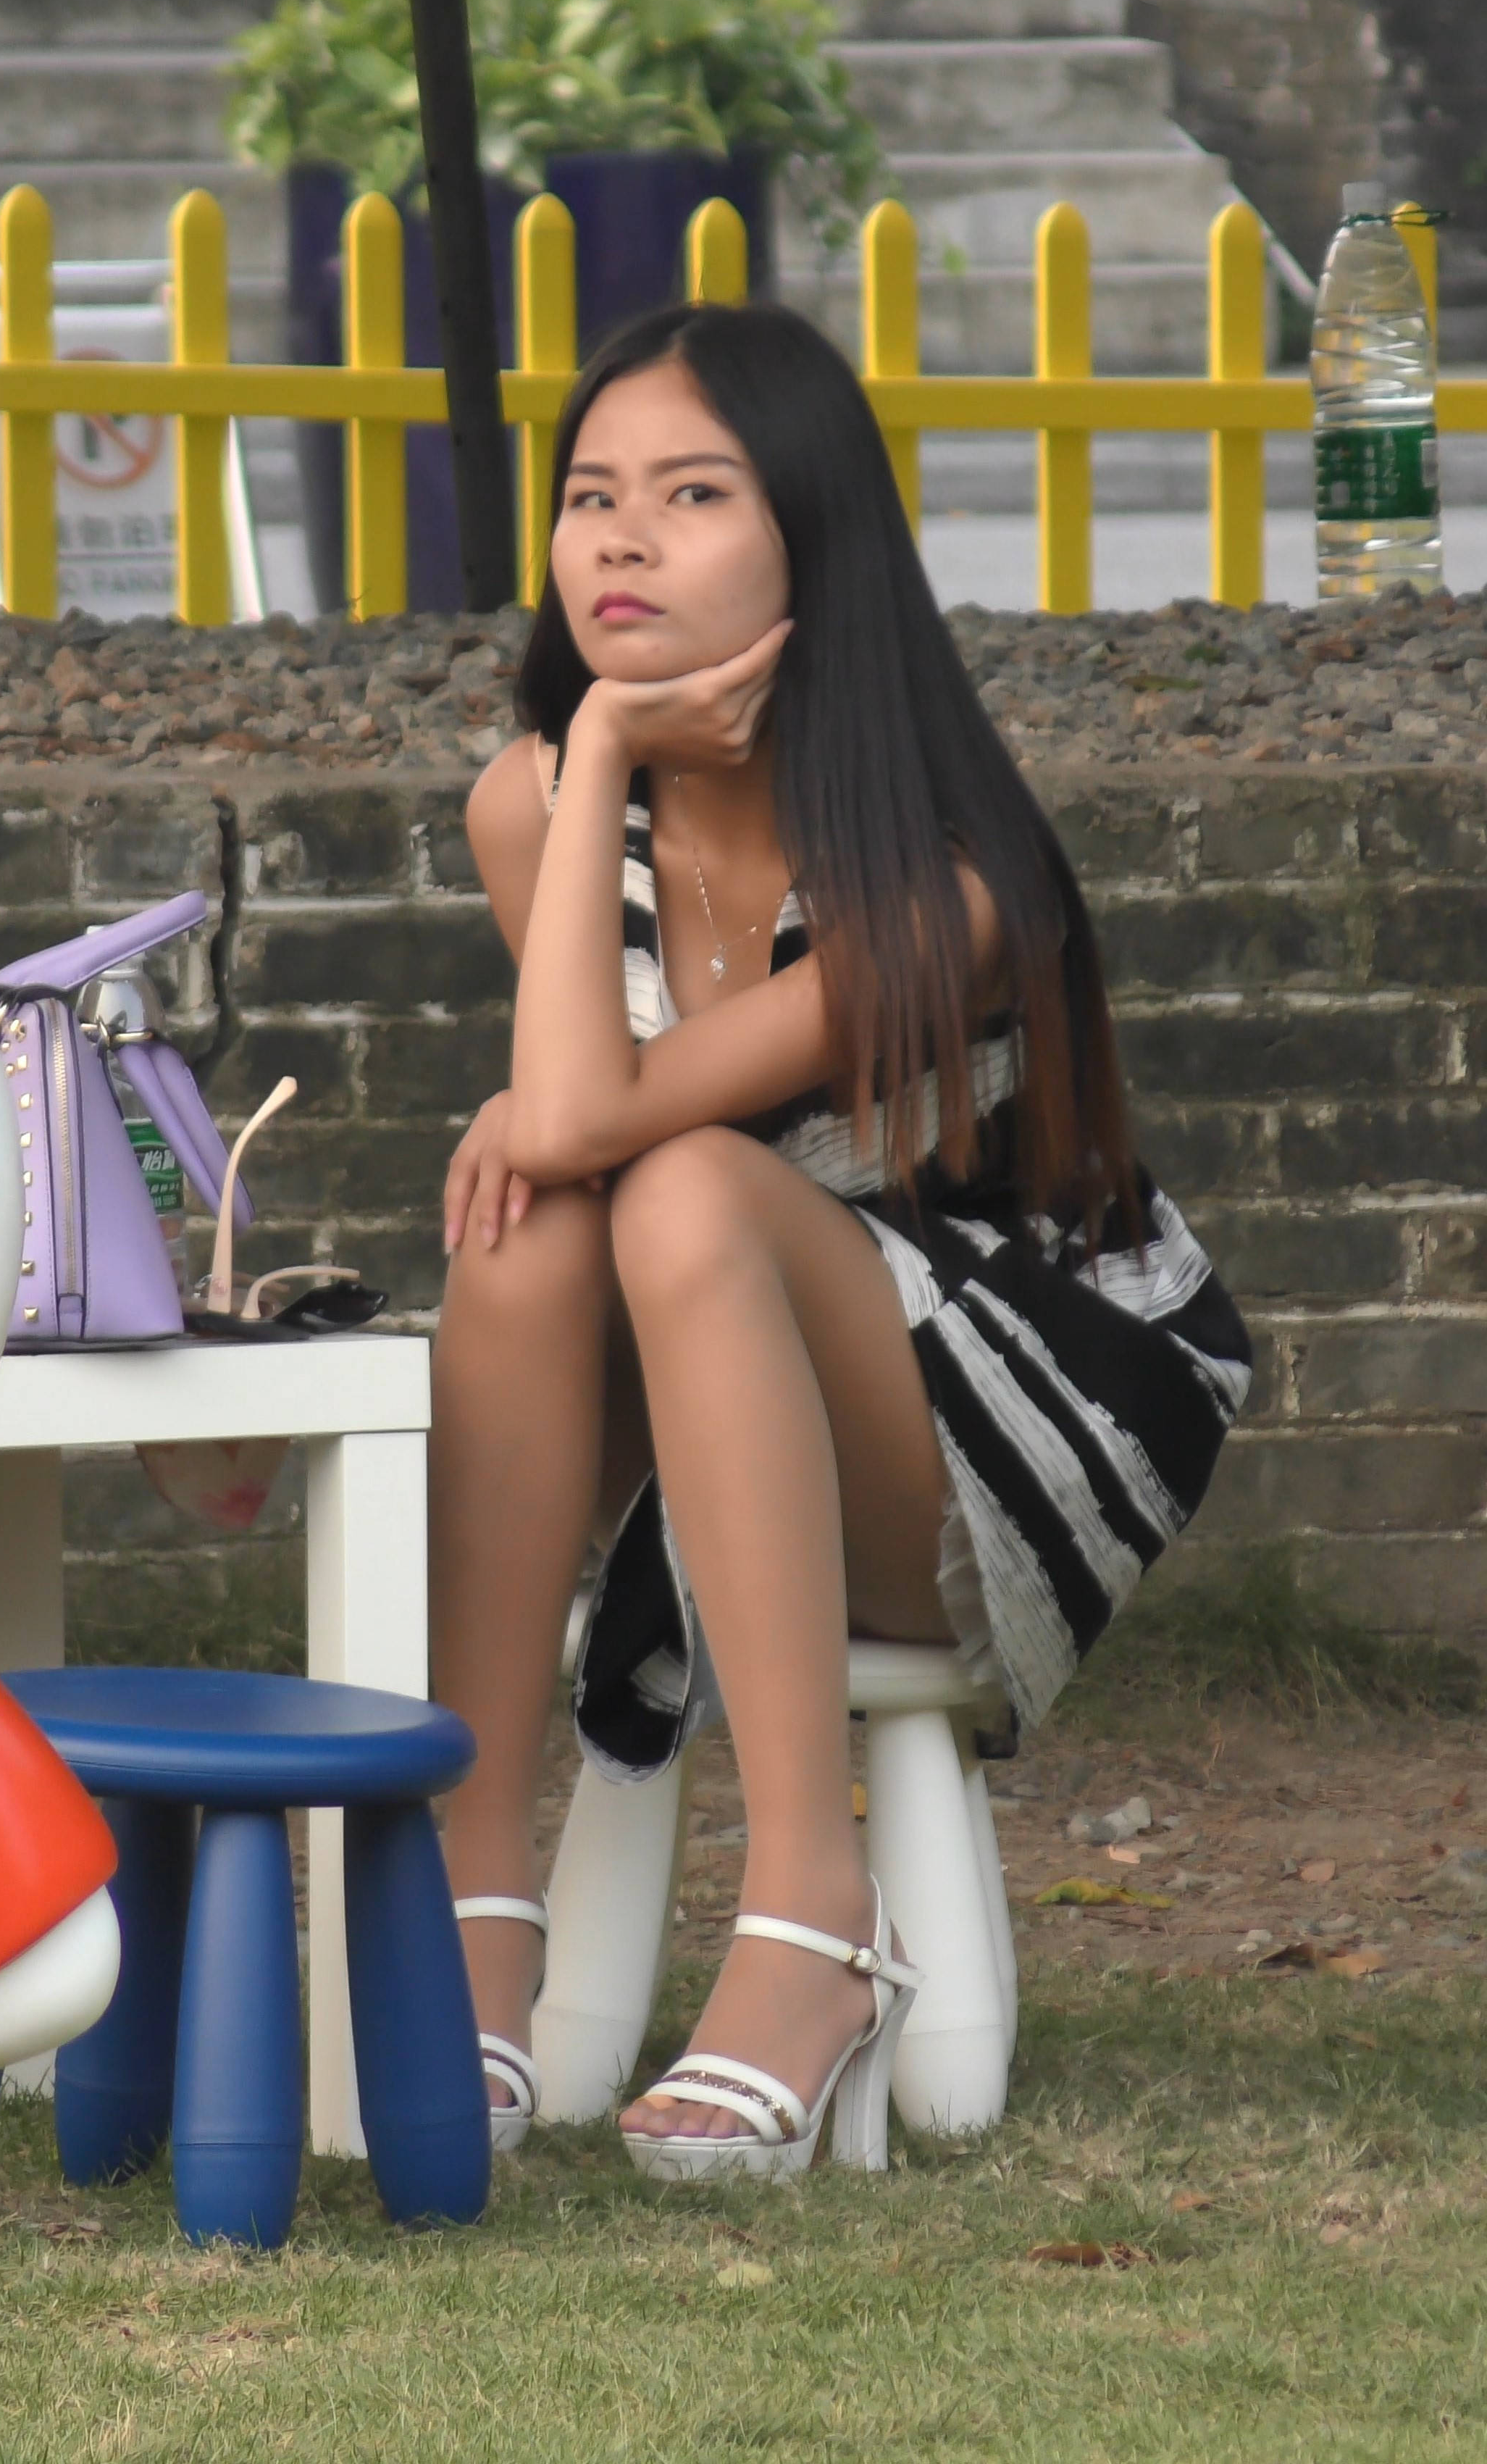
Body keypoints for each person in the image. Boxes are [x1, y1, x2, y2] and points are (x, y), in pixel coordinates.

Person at [430, 301, 1251, 2184]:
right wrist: (598, 763)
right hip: (729, 1349)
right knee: (534, 1226)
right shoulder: (534, 810)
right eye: (590, 496)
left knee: (658, 1181)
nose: (622, 541)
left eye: (693, 495)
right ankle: (470, 1893)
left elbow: (602, 1115)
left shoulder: (948, 875)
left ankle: (815, 1911)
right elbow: (576, 1129)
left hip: (1013, 1403)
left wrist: (548, 1102)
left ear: (814, 534)